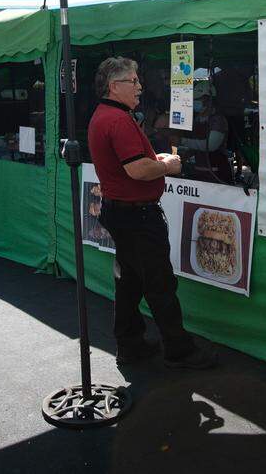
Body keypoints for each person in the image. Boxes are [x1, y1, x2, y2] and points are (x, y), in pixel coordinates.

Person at [88, 56, 216, 369]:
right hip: (137, 217)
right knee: (159, 282)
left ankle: (130, 344)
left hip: (122, 212)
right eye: (133, 81)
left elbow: (131, 164)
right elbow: (137, 170)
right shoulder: (118, 120)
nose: (139, 86)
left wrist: (151, 161)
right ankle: (179, 349)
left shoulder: (105, 115)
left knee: (129, 282)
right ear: (114, 86)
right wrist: (166, 166)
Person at [173, 80, 233, 184]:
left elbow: (211, 145)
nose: (195, 102)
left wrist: (182, 141)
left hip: (217, 173)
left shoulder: (218, 120)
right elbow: (196, 143)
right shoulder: (198, 119)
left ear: (208, 100)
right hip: (200, 171)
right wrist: (185, 154)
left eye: (198, 99)